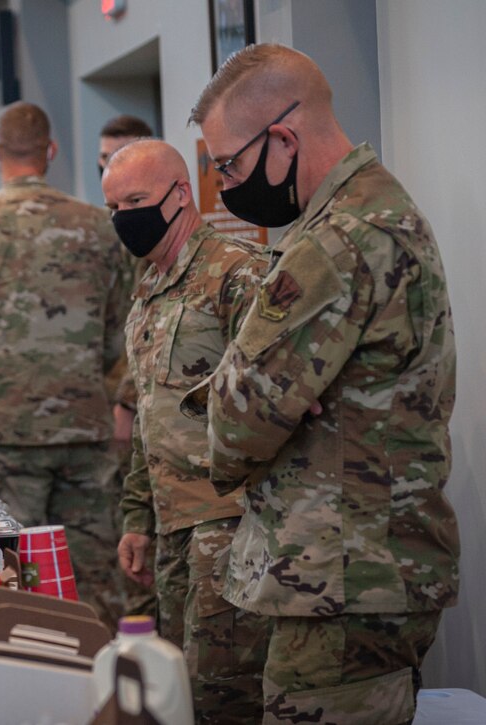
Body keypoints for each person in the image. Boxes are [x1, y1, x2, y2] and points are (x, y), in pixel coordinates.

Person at [187, 43, 459, 724]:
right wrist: (271, 395)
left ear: (282, 136)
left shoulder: (337, 240)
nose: (222, 187)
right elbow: (261, 397)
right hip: (351, 572)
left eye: (229, 164)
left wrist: (246, 394)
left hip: (341, 579)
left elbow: (238, 422)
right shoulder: (369, 214)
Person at [0, 101, 129, 626]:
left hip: (3, 434)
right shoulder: (98, 226)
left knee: (9, 582)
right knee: (92, 580)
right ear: (52, 151)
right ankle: (106, 693)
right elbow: (119, 335)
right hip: (84, 431)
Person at [103, 139, 269, 723]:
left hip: (231, 527)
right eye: (114, 208)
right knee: (180, 699)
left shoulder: (238, 272)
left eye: (137, 201)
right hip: (172, 529)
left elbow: (278, 405)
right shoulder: (148, 286)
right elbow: (151, 417)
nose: (126, 218)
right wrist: (137, 518)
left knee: (228, 697)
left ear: (180, 194)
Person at [97, 114, 159, 619]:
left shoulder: (159, 240)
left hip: (145, 412)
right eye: (103, 162)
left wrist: (124, 399)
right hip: (123, 415)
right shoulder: (112, 231)